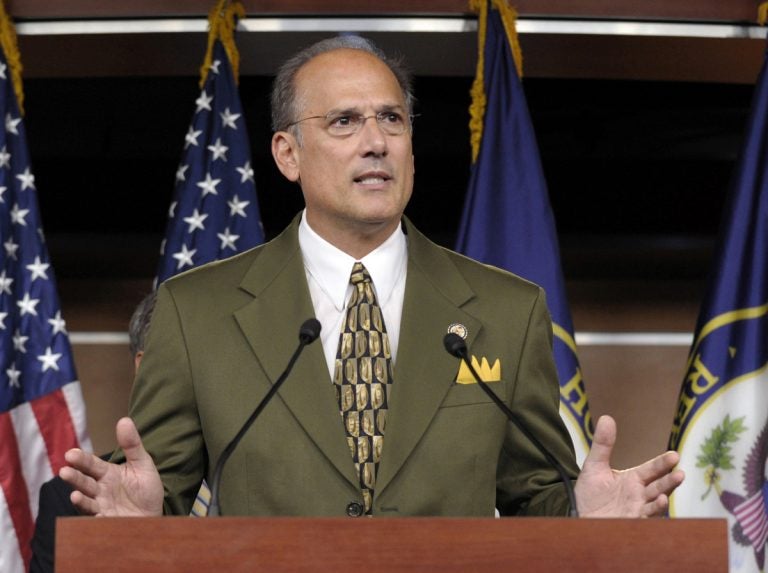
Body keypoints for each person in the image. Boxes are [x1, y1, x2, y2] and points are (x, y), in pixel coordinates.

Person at [60, 36, 683, 519]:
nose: (376, 142)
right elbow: (158, 493)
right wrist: (142, 514)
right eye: (344, 122)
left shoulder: (507, 311)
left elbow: (533, 496)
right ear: (287, 154)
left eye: (392, 120)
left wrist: (578, 509)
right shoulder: (195, 312)